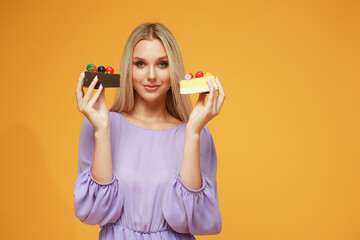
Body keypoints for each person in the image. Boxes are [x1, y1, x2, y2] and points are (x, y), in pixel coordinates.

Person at [74, 22, 226, 240]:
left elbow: (195, 220)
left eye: (162, 64)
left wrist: (192, 132)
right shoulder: (101, 124)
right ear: (129, 68)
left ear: (174, 69)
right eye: (141, 64)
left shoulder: (198, 135)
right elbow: (95, 211)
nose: (152, 75)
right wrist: (102, 129)